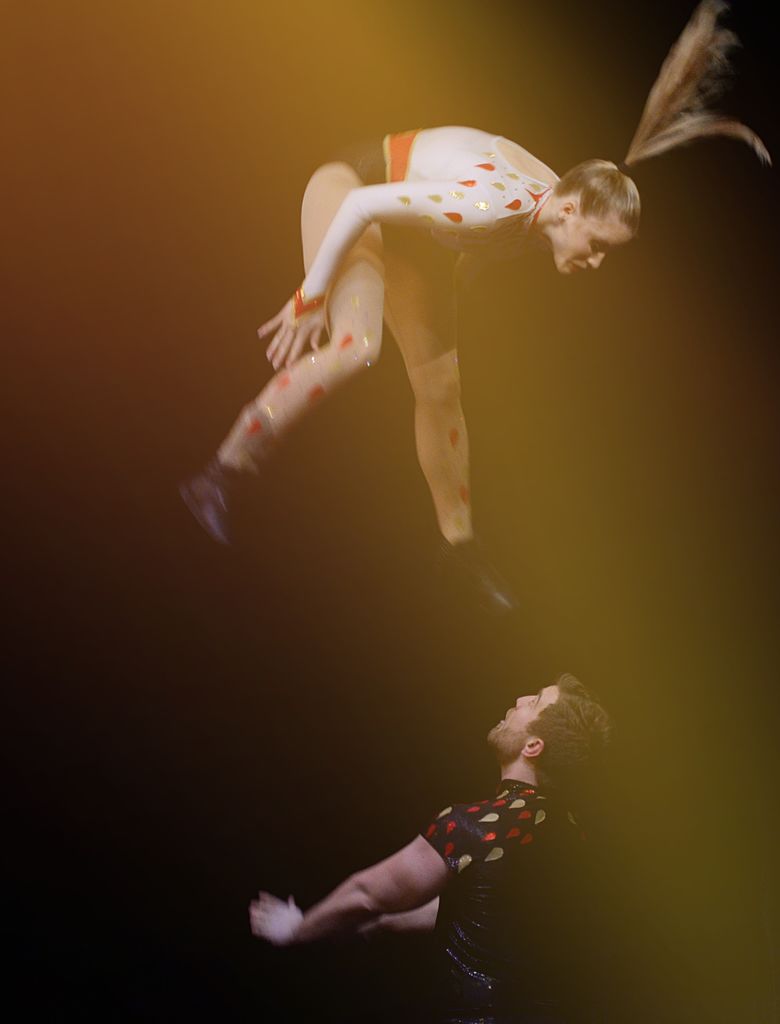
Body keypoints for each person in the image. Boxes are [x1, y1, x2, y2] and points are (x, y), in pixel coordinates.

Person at [181, 0, 769, 613]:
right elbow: (364, 206)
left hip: (417, 240)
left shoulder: (549, 204)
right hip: (351, 189)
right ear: (569, 211)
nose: (595, 261)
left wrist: (437, 307)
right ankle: (219, 475)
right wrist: (312, 294)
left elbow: (473, 247)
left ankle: (458, 548)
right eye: (596, 245)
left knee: (441, 387)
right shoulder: (486, 204)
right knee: (358, 347)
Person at [249, 673, 612, 1023]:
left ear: (533, 747)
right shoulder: (571, 834)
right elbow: (486, 909)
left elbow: (367, 893)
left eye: (534, 702)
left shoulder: (476, 826)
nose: (519, 700)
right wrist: (384, 923)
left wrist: (297, 928)